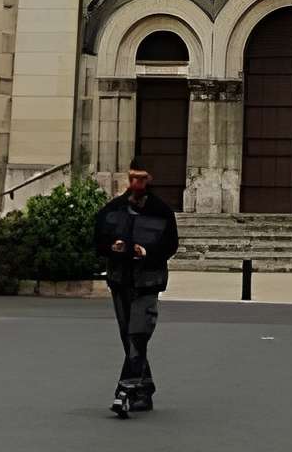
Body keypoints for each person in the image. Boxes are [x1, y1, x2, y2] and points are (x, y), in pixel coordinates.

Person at [92, 165, 179, 417]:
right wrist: (113, 247)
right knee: (127, 337)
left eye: (141, 179)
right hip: (120, 280)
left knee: (138, 335)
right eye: (132, 179)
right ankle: (145, 388)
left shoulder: (161, 212)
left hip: (147, 282)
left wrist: (147, 253)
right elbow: (99, 240)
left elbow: (170, 245)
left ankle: (125, 390)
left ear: (149, 180)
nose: (137, 184)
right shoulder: (113, 209)